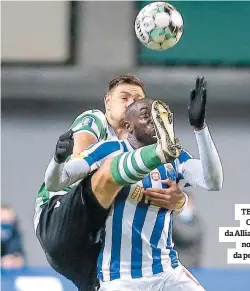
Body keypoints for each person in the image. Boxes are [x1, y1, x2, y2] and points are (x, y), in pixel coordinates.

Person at [45, 78, 223, 291]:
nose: (153, 121)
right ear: (128, 125)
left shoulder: (175, 157)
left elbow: (213, 181)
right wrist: (58, 160)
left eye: (158, 117)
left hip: (167, 272)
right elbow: (56, 182)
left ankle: (158, 152)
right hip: (120, 278)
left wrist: (200, 127)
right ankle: (153, 154)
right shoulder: (107, 149)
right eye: (145, 115)